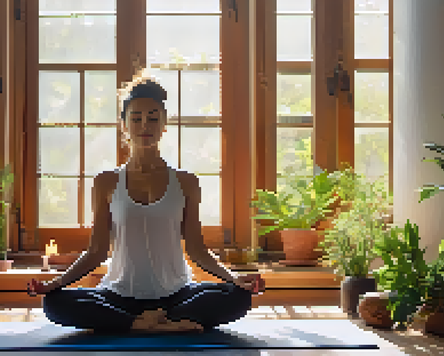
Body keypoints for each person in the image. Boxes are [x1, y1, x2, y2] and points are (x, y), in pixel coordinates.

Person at [27, 74, 266, 334]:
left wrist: (235, 279)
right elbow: (96, 251)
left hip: (177, 293)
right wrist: (56, 283)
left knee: (238, 297)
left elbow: (198, 250)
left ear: (164, 124)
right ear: (124, 124)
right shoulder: (106, 182)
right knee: (55, 303)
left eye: (153, 118)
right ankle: (157, 323)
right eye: (136, 118)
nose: (145, 125)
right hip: (119, 295)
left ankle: (138, 324)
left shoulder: (186, 182)